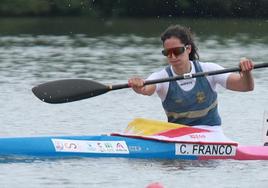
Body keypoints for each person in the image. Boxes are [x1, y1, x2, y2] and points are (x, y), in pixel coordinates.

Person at [128, 25, 254, 126]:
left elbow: (245, 86)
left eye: (177, 51)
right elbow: (146, 89)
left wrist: (246, 72)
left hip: (211, 135)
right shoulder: (162, 77)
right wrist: (138, 86)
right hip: (179, 137)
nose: (172, 57)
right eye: (167, 53)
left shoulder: (208, 70)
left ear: (188, 49)